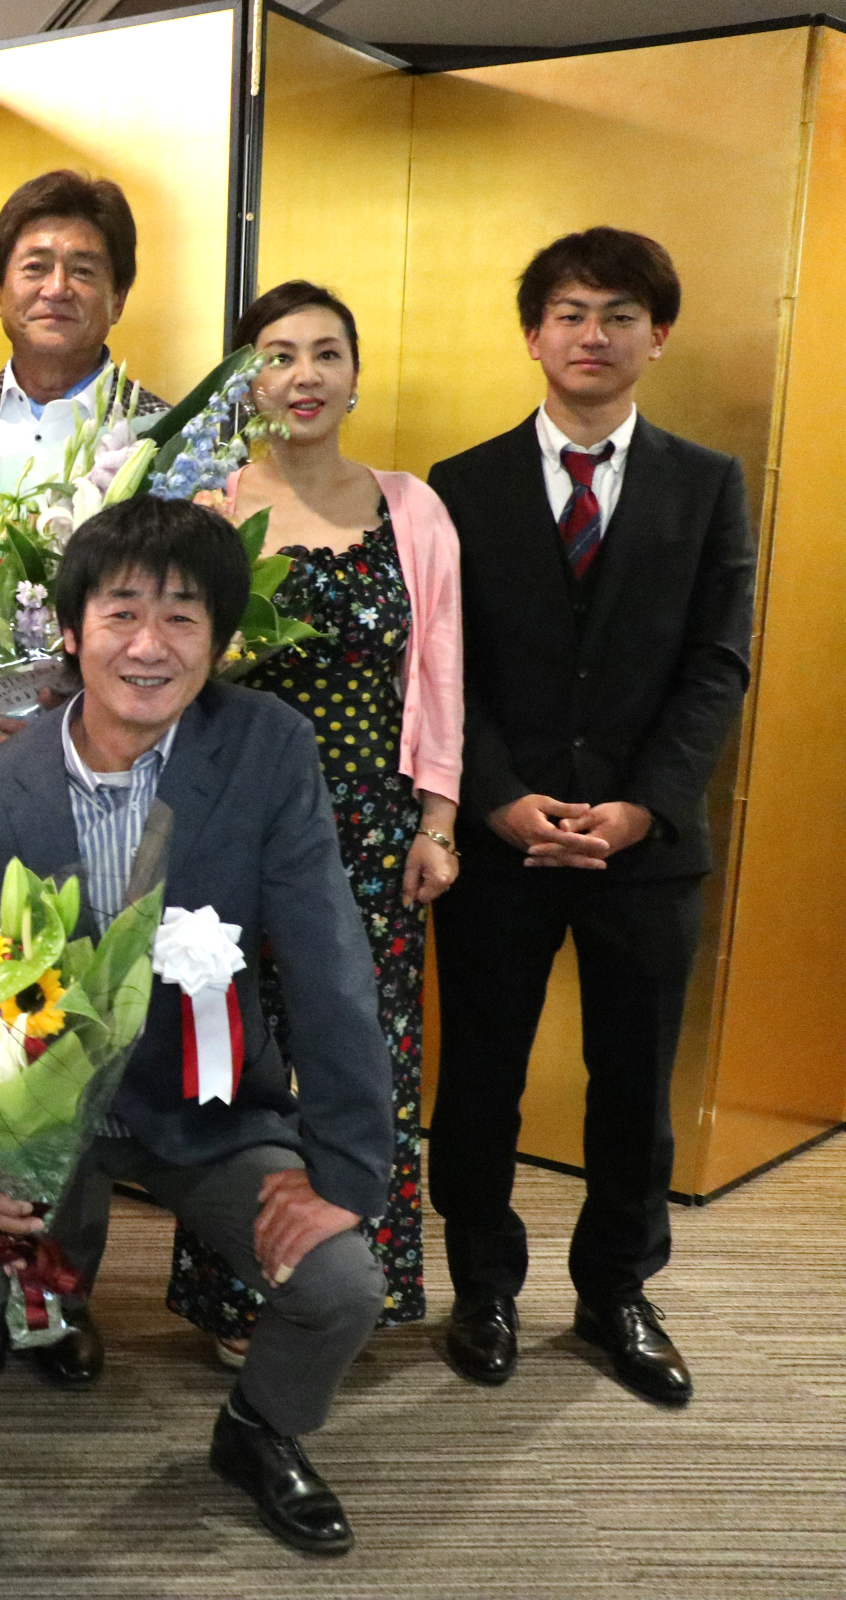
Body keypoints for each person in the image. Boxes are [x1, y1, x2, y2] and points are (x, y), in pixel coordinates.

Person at [0, 495, 393, 1553]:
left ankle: (260, 1430)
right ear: (70, 631)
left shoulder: (267, 750)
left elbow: (331, 965)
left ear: (221, 638)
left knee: (342, 1281)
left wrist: (346, 1177)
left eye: (183, 616)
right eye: (121, 614)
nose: (150, 646)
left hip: (205, 1106)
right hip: (30, 1120)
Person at [426, 228, 753, 1408]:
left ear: (657, 336)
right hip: (499, 844)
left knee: (634, 1085)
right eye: (569, 312)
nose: (592, 335)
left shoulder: (707, 483)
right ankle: (483, 1285)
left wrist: (642, 808)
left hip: (644, 851)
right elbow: (444, 666)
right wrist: (498, 797)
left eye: (620, 315)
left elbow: (717, 664)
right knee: (481, 1077)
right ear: (533, 334)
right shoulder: (459, 485)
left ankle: (617, 1289)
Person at [0, 169, 166, 1386]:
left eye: (84, 269)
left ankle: (60, 1285)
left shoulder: (164, 434)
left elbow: (190, 618)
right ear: (0, 288)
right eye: (35, 266)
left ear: (120, 292)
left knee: (83, 1043)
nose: (57, 287)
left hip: (108, 786)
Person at [164, 280, 463, 1365]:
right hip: (237, 832)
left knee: (360, 1056)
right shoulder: (205, 511)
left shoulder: (410, 508)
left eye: (327, 353)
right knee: (242, 1058)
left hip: (373, 836)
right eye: (278, 355)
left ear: (355, 375)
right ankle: (244, 1293)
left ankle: (352, 1287)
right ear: (246, 382)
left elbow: (439, 673)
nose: (304, 376)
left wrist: (438, 821)